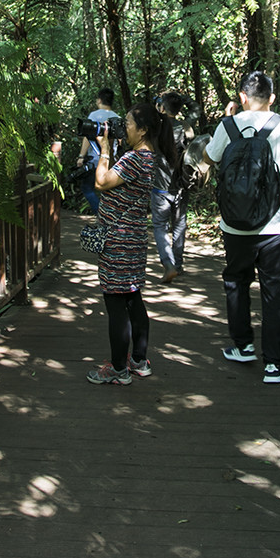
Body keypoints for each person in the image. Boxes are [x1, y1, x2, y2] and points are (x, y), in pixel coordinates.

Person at [205, 71, 280, 385]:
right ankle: (273, 365)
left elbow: (210, 157)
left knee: (236, 282)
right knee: (275, 292)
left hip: (235, 227)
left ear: (242, 97)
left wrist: (229, 124)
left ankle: (242, 346)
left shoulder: (226, 126)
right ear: (272, 98)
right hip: (276, 227)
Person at [86, 102, 180, 385]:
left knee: (115, 303)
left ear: (142, 130)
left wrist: (103, 149)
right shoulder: (148, 157)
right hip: (135, 238)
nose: (121, 127)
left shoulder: (134, 159)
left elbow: (101, 183)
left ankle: (118, 368)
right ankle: (138, 360)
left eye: (126, 123)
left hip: (117, 241)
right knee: (133, 298)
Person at [151, 91, 194, 284]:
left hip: (160, 188)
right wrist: (182, 99)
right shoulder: (185, 126)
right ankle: (177, 264)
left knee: (160, 226)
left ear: (161, 106)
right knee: (179, 225)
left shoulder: (155, 128)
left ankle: (168, 264)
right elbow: (196, 110)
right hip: (181, 186)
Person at [74, 88, 119, 214]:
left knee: (87, 188)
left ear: (99, 100)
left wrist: (81, 156)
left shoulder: (94, 116)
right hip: (111, 161)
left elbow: (87, 138)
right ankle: (109, 215)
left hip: (95, 160)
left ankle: (101, 214)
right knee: (108, 191)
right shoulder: (117, 117)